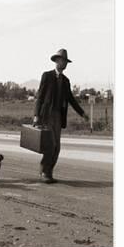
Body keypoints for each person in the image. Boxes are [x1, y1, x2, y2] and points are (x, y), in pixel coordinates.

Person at [34, 49, 89, 183]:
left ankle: (49, 172)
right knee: (50, 145)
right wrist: (36, 115)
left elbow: (71, 99)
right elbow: (40, 97)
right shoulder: (47, 76)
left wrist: (82, 113)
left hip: (58, 116)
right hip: (46, 116)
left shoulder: (66, 81)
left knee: (57, 147)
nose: (64, 63)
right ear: (57, 61)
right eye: (62, 60)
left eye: (66, 61)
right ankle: (44, 172)